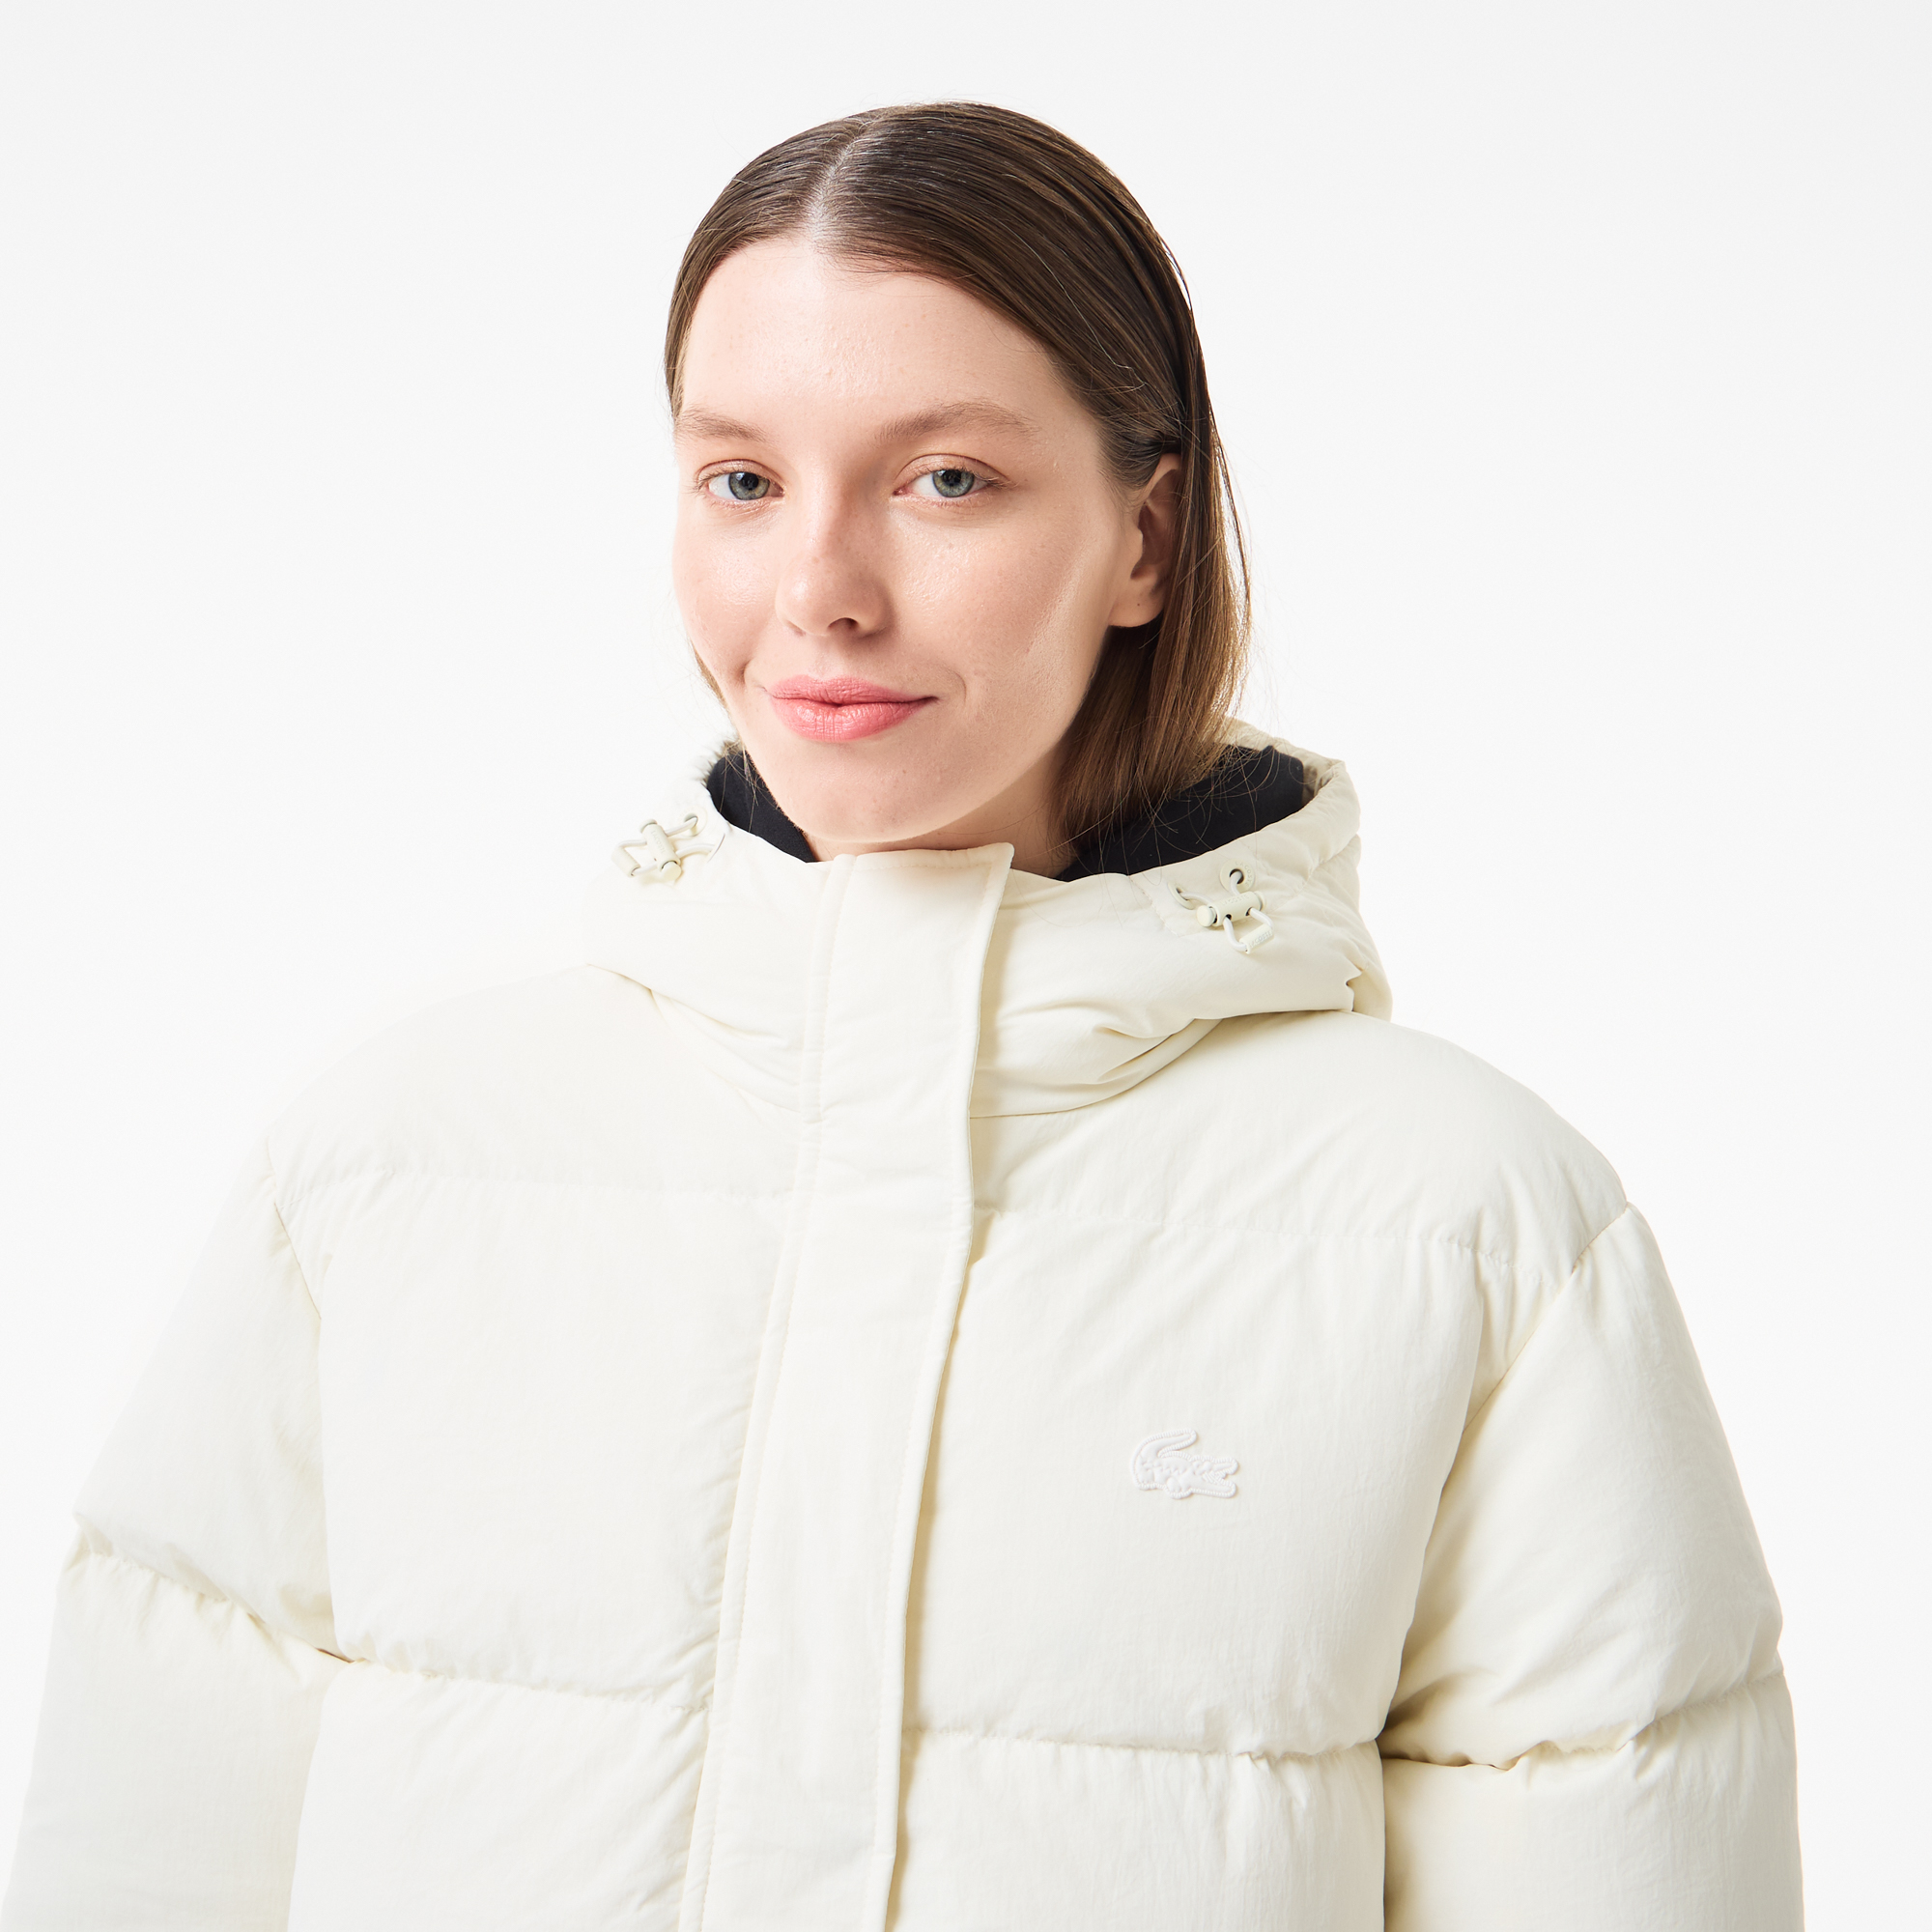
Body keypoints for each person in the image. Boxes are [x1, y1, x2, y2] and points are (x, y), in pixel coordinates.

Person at [2, 102, 1802, 1931]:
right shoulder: (390, 1168)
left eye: (945, 480)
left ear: (1146, 538)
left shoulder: (1470, 1225)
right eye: (743, 481)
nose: (820, 594)